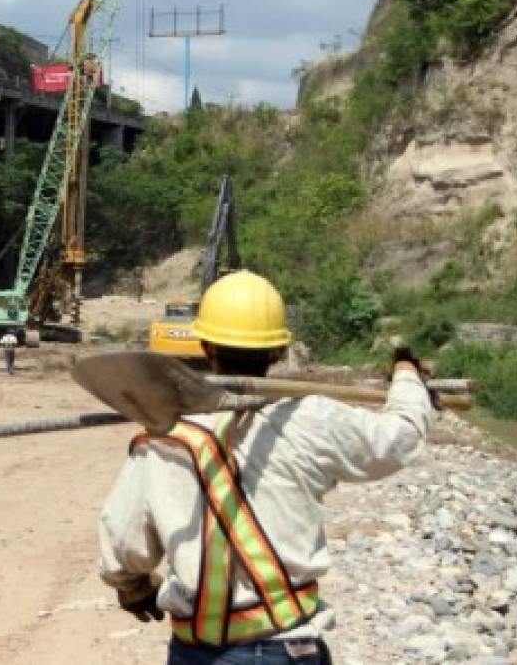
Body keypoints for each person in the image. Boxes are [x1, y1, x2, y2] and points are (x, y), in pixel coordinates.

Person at [98, 270, 436, 664]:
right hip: (287, 648)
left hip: (197, 653)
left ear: (206, 346)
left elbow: (122, 541)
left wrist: (132, 587)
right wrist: (408, 378)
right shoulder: (310, 418)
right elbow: (399, 437)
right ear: (277, 353)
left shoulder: (164, 432)